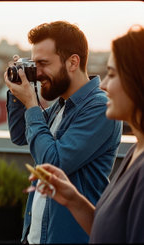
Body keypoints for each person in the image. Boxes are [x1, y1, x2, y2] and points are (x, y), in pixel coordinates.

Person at [3, 21, 122, 243]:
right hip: (38, 236)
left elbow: (53, 162)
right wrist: (18, 91)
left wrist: (31, 104)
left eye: (43, 63)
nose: (37, 73)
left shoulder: (99, 107)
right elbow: (20, 135)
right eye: (33, 64)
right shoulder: (61, 105)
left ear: (73, 62)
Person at [35, 25, 144, 243]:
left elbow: (52, 158)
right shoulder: (136, 151)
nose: (103, 84)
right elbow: (110, 234)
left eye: (112, 74)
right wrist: (74, 200)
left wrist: (31, 104)